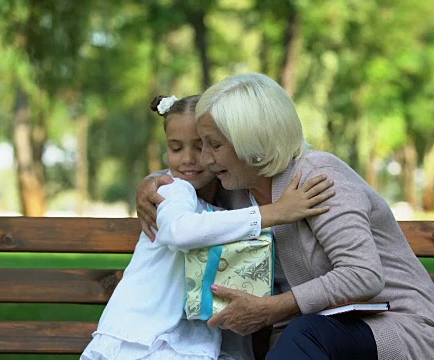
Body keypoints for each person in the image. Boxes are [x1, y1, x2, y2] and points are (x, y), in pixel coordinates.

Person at [137, 73, 434, 359]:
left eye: (214, 145)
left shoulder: (318, 179)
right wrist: (149, 186)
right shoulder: (234, 184)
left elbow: (363, 275)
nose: (205, 158)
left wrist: (272, 309)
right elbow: (183, 183)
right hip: (311, 340)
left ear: (253, 144)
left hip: (396, 327)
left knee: (305, 332)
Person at [81, 94, 335, 360]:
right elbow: (180, 231)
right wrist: (274, 213)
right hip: (143, 339)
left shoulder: (226, 202)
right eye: (176, 148)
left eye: (202, 146)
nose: (189, 159)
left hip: (182, 341)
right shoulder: (174, 191)